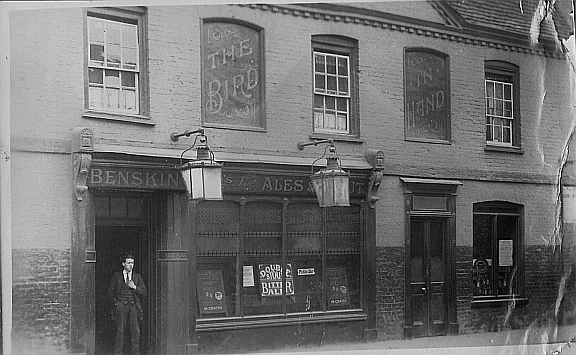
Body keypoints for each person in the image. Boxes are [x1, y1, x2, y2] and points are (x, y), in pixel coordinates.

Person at [108, 253, 147, 355]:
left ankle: (135, 353)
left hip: (133, 306)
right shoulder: (116, 276)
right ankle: (118, 353)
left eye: (132, 263)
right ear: (123, 264)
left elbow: (144, 292)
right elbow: (110, 292)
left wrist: (135, 287)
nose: (131, 265)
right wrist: (116, 303)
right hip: (121, 305)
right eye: (129, 263)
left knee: (136, 332)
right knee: (120, 331)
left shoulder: (137, 277)